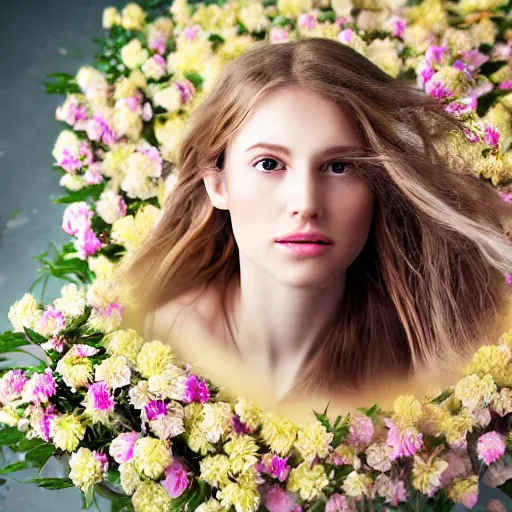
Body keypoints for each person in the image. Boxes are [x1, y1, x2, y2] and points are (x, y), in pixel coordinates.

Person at [120, 37, 512, 424]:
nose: (306, 204)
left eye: (340, 166)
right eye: (270, 164)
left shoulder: (427, 374)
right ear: (217, 183)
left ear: (381, 184)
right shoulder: (157, 343)